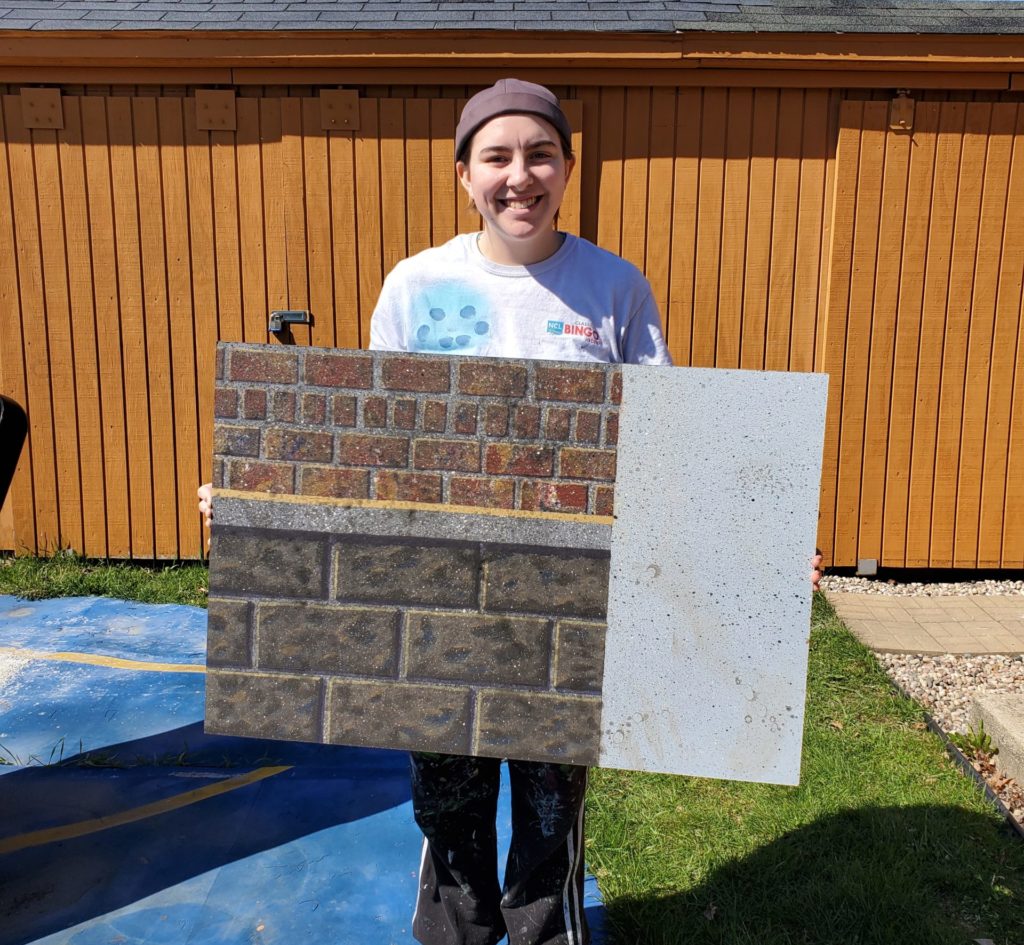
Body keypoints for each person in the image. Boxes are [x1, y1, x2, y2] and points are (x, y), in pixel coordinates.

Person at [198, 78, 824, 945]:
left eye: (540, 154)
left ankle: (542, 933)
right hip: (441, 602)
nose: (518, 175)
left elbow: (665, 446)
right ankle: (457, 929)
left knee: (549, 812)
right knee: (447, 810)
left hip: (567, 611)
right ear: (464, 174)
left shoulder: (613, 288)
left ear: (568, 167)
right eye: (496, 156)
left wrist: (756, 550)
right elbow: (373, 447)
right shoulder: (416, 286)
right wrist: (256, 504)